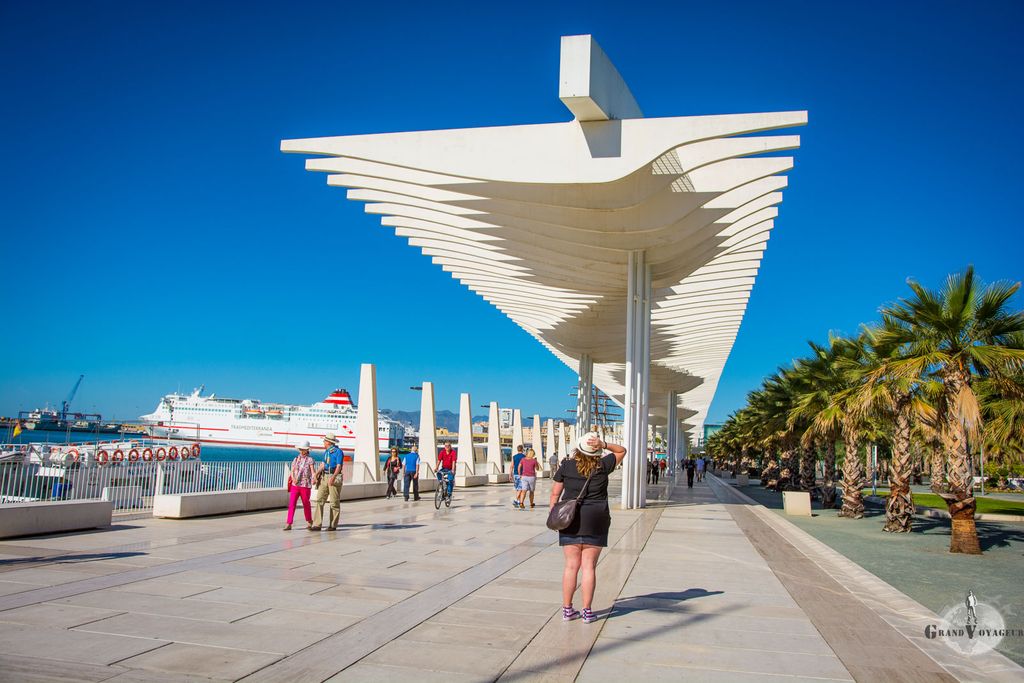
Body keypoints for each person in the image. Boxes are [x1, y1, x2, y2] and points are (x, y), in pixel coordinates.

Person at [551, 431, 626, 625]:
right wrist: (604, 444)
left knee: (571, 566)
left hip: (570, 518)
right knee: (589, 567)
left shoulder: (566, 466)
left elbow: (555, 493)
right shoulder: (603, 465)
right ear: (596, 450)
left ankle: (567, 610)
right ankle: (587, 611)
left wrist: (554, 513)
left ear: (578, 449)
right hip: (596, 517)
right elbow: (622, 450)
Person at [311, 433, 343, 531]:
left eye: (324, 441)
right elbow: (323, 464)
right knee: (320, 499)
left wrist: (333, 477)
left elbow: (339, 466)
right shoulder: (327, 452)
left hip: (333, 476)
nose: (323, 442)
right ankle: (317, 524)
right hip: (324, 476)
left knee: (334, 502)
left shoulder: (338, 452)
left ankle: (333, 525)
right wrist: (316, 474)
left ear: (328, 442)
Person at [284, 441, 316, 530]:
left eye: (304, 450)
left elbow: (312, 471)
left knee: (306, 503)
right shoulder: (296, 459)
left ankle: (309, 521)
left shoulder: (310, 460)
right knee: (292, 504)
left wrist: (314, 478)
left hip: (305, 485)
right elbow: (292, 470)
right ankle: (289, 523)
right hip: (295, 485)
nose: (302, 451)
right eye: (301, 449)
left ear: (307, 450)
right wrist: (293, 478)